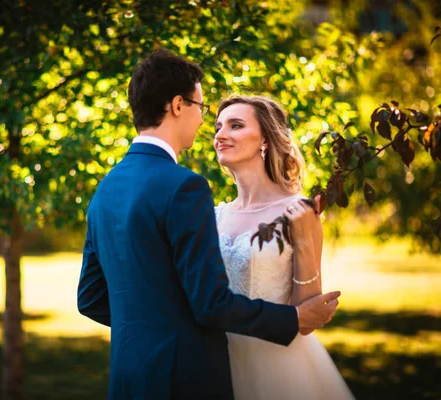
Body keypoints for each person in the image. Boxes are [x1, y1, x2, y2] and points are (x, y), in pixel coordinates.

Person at [77, 49, 341, 400]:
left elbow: (91, 298)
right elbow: (209, 304)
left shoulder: (105, 189)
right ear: (177, 105)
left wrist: (152, 326)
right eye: (203, 111)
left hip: (130, 376)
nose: (207, 125)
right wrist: (292, 320)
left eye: (232, 124)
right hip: (184, 376)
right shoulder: (186, 187)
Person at [213, 94, 354, 399]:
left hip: (278, 366)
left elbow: (307, 319)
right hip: (215, 363)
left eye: (235, 125)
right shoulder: (212, 216)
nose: (221, 135)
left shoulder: (299, 211)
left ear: (265, 139)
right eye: (218, 127)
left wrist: (303, 239)